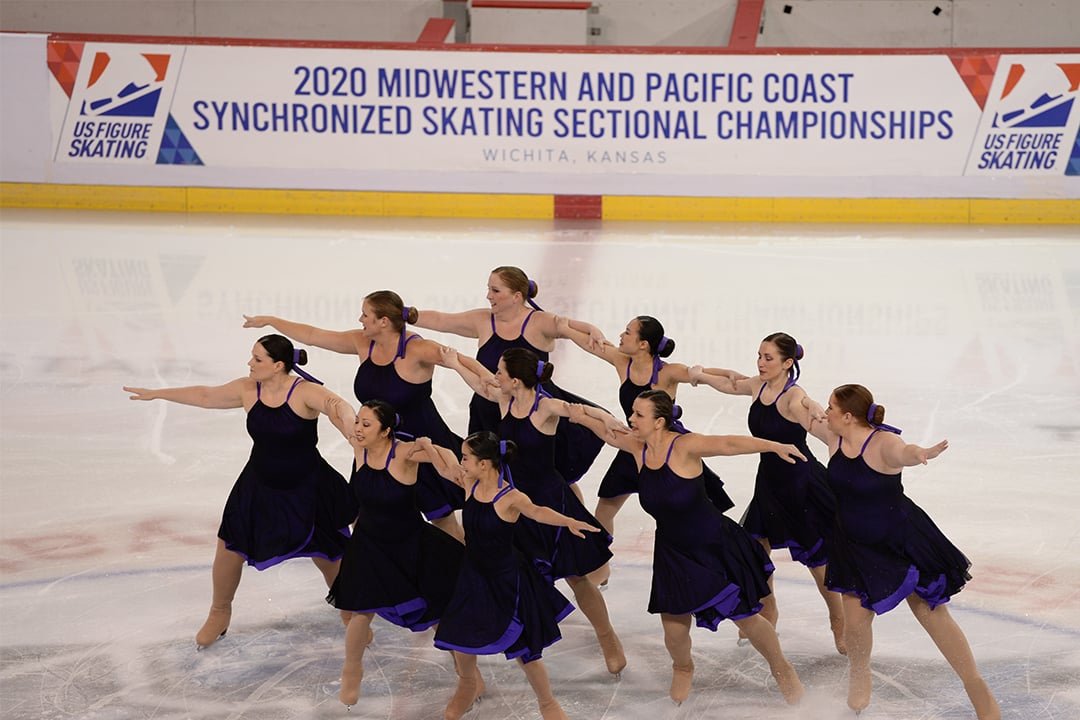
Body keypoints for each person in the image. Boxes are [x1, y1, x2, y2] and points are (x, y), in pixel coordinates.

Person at [568, 390, 806, 706]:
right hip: (673, 553)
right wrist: (571, 410)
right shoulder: (637, 449)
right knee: (674, 630)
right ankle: (683, 667)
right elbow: (606, 429)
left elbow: (729, 443)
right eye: (633, 413)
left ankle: (781, 666)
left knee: (746, 617)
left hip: (712, 545)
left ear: (660, 421)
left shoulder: (685, 446)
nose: (631, 419)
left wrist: (774, 446)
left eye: (639, 414)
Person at [123, 334, 357, 649]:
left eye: (257, 359)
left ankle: (350, 611)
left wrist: (349, 425)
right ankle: (219, 612)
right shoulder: (248, 390)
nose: (250, 363)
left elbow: (335, 404)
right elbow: (206, 395)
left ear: (278, 365)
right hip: (259, 483)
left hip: (308, 485)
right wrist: (158, 393)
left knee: (328, 552)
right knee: (229, 548)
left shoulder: (304, 392)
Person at [814, 384, 1001, 718]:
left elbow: (905, 453)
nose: (826, 412)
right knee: (855, 623)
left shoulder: (884, 443)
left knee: (931, 612)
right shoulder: (834, 437)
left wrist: (920, 454)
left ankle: (975, 685)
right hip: (854, 544)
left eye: (831, 407)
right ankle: (860, 672)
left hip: (900, 539)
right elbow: (806, 415)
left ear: (847, 416)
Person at [441, 346, 627, 677]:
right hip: (514, 506)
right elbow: (481, 382)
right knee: (513, 576)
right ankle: (500, 640)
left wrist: (609, 422)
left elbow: (579, 410)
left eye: (501, 371)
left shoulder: (546, 407)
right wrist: (455, 362)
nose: (496, 375)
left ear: (515, 379)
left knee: (577, 577)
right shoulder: (504, 398)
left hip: (550, 501)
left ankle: (607, 637)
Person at [243, 290, 483, 543]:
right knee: (361, 514)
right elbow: (314, 336)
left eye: (365, 314)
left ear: (383, 321)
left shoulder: (417, 348)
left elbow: (461, 360)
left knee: (440, 517)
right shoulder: (362, 342)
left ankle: (461, 571)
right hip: (375, 441)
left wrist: (490, 380)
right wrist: (272, 320)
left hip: (421, 438)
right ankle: (375, 567)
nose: (360, 319)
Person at [688, 332, 845, 653]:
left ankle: (838, 620)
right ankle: (767, 609)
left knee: (816, 560)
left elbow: (818, 431)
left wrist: (846, 446)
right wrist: (700, 375)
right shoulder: (757, 385)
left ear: (788, 363)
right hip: (769, 482)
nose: (761, 363)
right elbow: (731, 383)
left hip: (799, 484)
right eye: (759, 356)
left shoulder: (794, 397)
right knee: (756, 549)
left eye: (768, 358)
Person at [427, 431, 601, 720]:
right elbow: (446, 468)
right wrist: (426, 445)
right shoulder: (469, 482)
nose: (462, 463)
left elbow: (537, 511)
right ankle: (467, 683)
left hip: (506, 579)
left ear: (485, 463)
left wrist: (569, 521)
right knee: (459, 633)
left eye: (466, 457)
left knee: (523, 648)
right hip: (472, 575)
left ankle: (547, 702)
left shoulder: (510, 497)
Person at [556, 315, 743, 575]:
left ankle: (715, 560)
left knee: (685, 510)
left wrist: (736, 379)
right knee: (605, 508)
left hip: (667, 449)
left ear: (643, 344)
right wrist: (579, 327)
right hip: (634, 445)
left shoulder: (667, 372)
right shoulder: (622, 361)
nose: (621, 335)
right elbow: (583, 339)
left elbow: (703, 374)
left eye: (628, 332)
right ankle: (599, 568)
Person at [411, 265, 610, 494]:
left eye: (495, 290)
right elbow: (441, 320)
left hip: (534, 413)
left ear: (517, 296)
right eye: (488, 289)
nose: (488, 296)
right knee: (491, 479)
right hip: (490, 410)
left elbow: (566, 325)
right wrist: (407, 315)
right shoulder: (482, 320)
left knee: (550, 476)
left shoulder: (538, 322)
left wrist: (592, 329)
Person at [327, 399, 466, 709]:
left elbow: (443, 454)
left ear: (387, 431)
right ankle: (352, 670)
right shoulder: (358, 447)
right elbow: (340, 414)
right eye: (359, 422)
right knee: (360, 610)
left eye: (367, 424)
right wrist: (331, 403)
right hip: (368, 545)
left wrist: (441, 457)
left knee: (435, 615)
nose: (358, 428)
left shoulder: (404, 452)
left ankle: (467, 675)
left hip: (409, 544)